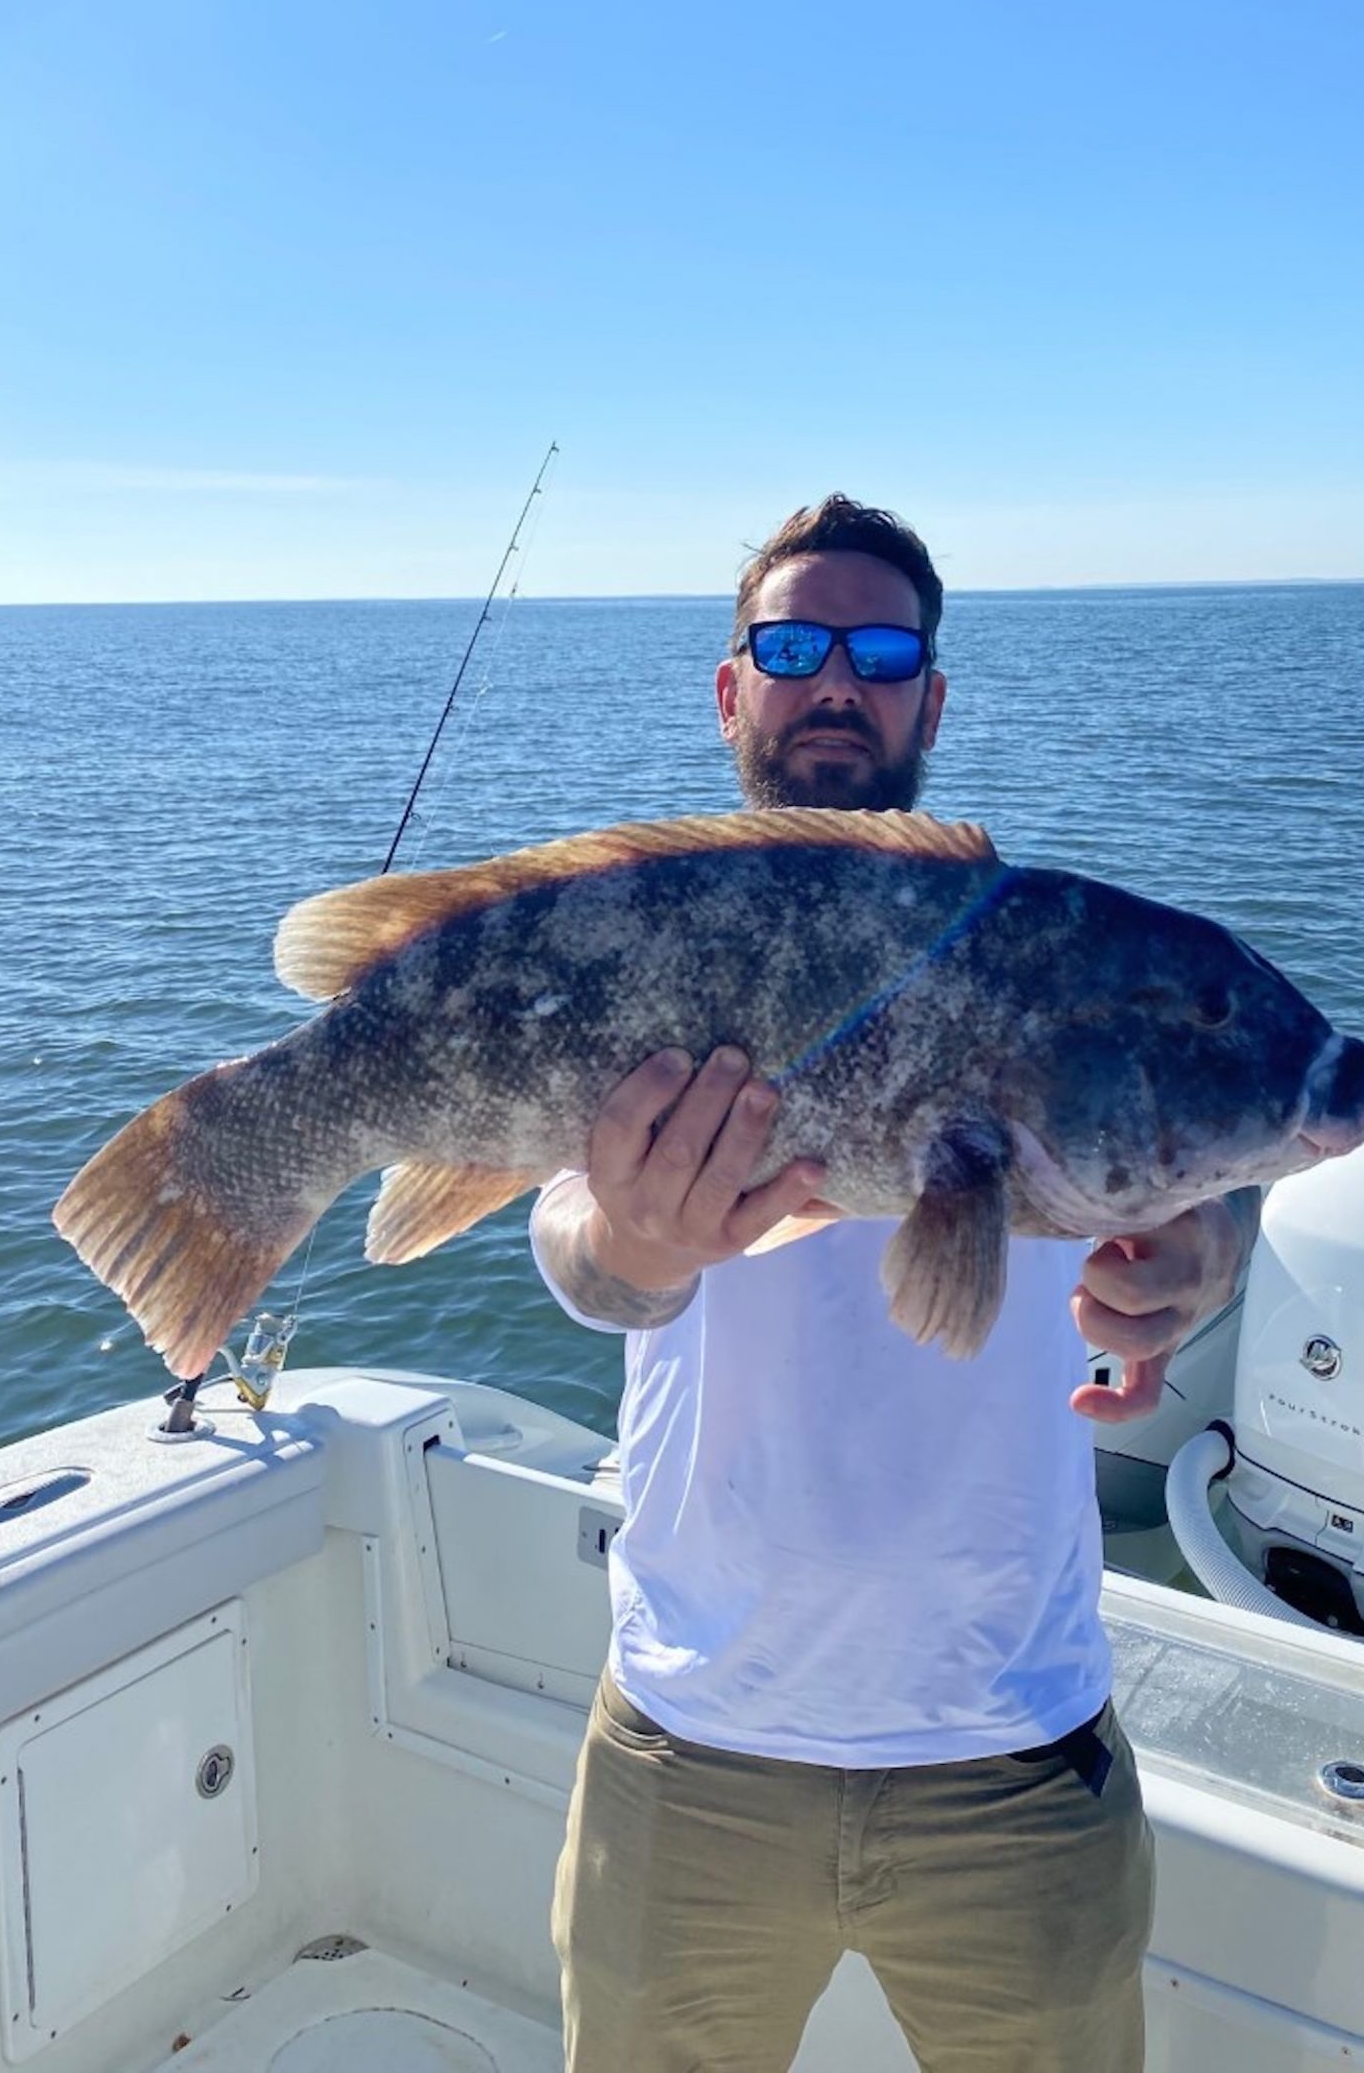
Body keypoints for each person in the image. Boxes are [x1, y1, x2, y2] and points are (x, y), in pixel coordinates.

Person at [531, 496, 1252, 2073]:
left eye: (880, 650)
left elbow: (1216, 1155)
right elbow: (580, 1254)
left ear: (934, 697)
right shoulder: (656, 944)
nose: (835, 679)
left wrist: (1216, 1239)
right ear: (733, 691)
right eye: (792, 647)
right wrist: (646, 1245)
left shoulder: (1050, 958)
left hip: (1013, 1753)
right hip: (687, 1745)